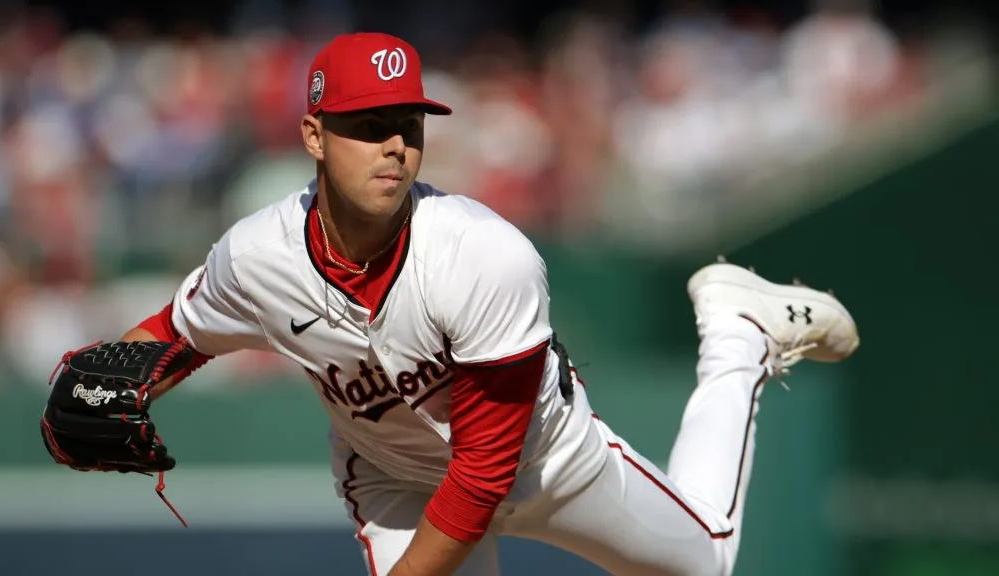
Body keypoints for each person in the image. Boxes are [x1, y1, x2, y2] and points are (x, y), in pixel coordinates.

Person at [47, 32, 860, 576]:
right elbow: (178, 334)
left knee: (708, 562)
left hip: (546, 458)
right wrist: (115, 384)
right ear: (313, 135)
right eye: (368, 123)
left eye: (409, 122)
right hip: (394, 474)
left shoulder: (483, 255)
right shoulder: (258, 256)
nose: (396, 142)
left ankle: (738, 334)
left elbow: (483, 471)